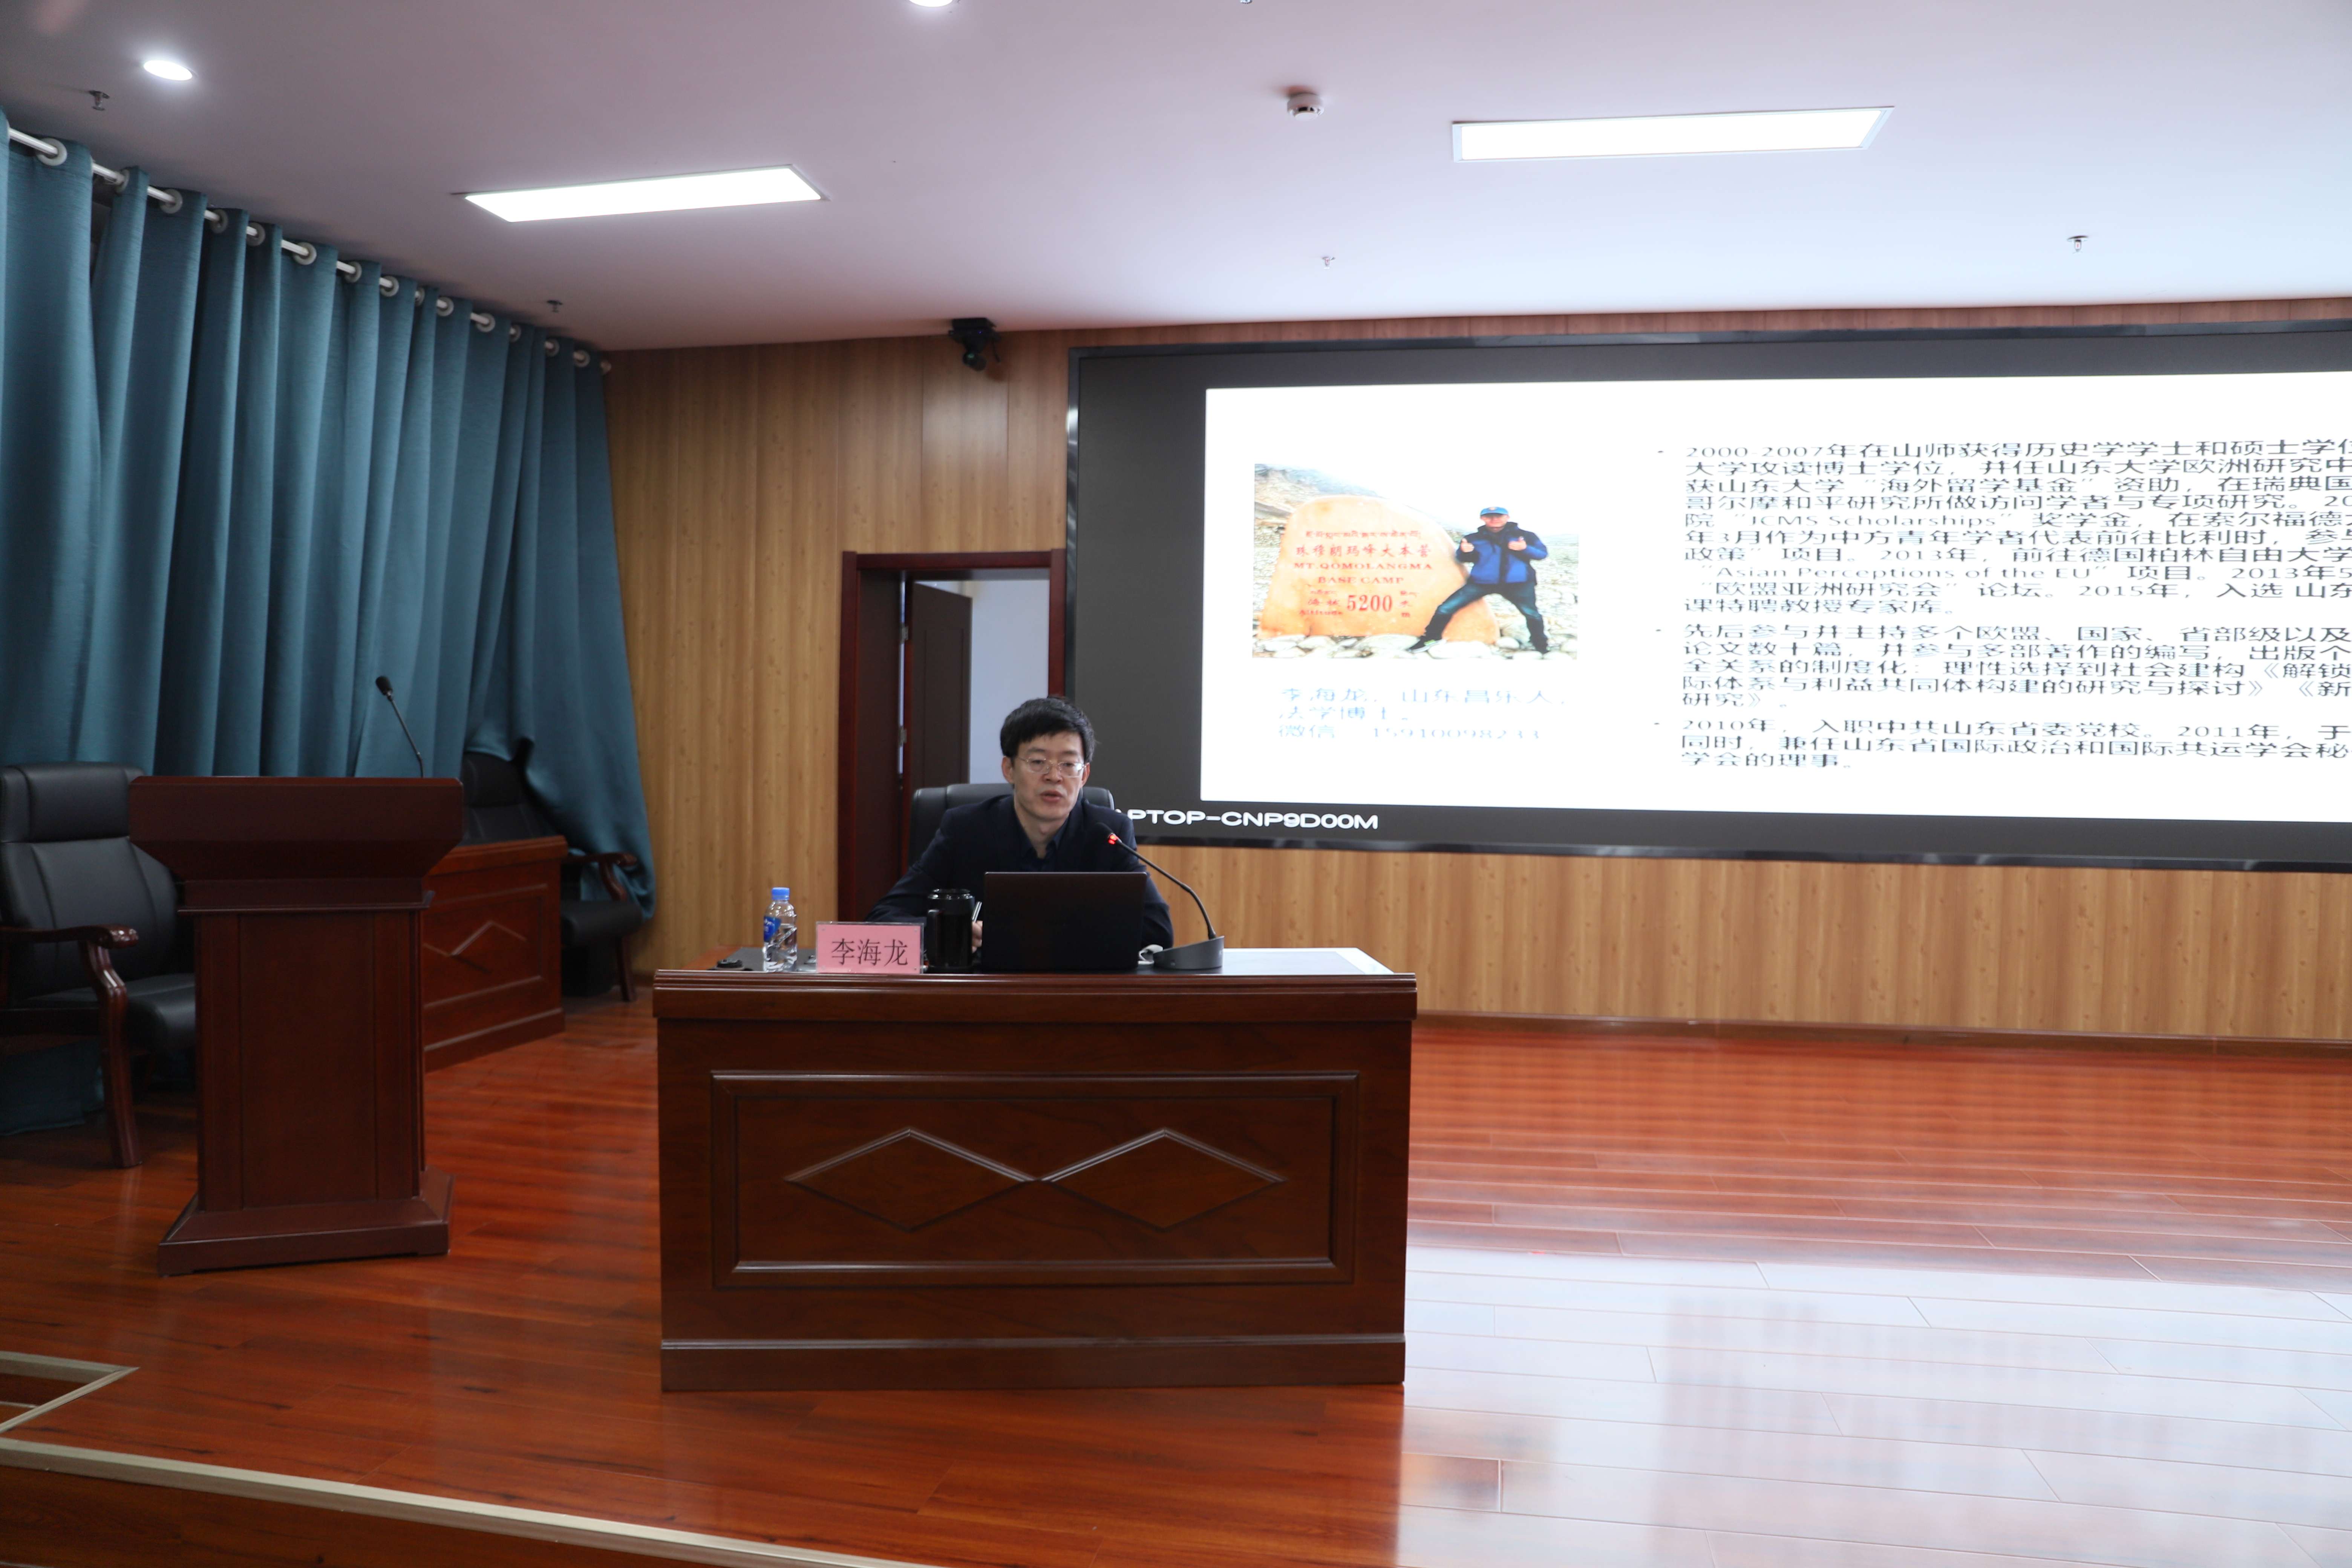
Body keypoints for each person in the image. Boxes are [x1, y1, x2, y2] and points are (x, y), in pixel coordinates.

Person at [869, 695, 1175, 949]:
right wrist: (950, 930)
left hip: (1077, 991)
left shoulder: (1108, 833)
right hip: (985, 991)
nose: (1054, 776)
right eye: (1038, 762)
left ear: (1084, 776)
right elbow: (884, 917)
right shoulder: (965, 830)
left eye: (1068, 764)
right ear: (1009, 769)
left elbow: (1157, 930)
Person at [1411, 505, 1550, 652]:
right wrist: (1464, 553)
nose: (1494, 519)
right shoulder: (1474, 539)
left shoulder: (1526, 536)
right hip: (1482, 583)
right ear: (1483, 519)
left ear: (1507, 518)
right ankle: (1432, 638)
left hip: (1518, 584)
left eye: (1499, 516)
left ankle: (1540, 644)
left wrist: (1525, 549)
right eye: (1489, 517)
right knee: (1445, 609)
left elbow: (1542, 554)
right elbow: (1463, 559)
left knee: (1532, 614)